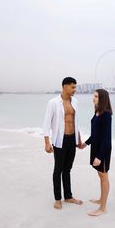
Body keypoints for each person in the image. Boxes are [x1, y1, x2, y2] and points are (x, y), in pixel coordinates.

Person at [43, 77, 83, 210]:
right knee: (58, 170)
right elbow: (47, 122)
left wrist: (79, 139)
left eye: (75, 87)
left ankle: (68, 196)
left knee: (68, 169)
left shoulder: (75, 101)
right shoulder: (53, 102)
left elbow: (76, 122)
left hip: (72, 140)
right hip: (59, 140)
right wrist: (47, 142)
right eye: (72, 87)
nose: (74, 90)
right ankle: (57, 199)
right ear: (65, 86)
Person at [82, 89, 112, 216]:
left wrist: (100, 156)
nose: (93, 98)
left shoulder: (106, 115)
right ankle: (101, 199)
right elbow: (95, 134)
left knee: (104, 176)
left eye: (96, 96)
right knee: (100, 175)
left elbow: (106, 138)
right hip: (95, 147)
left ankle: (103, 208)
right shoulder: (97, 113)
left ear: (102, 98)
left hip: (103, 150)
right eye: (93, 96)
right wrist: (85, 143)